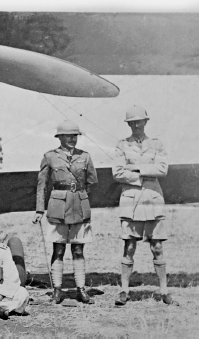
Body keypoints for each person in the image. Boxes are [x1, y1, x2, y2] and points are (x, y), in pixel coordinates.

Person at [112, 105, 178, 306]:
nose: (136, 125)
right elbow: (117, 173)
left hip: (152, 199)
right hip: (131, 202)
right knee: (129, 246)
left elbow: (162, 169)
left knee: (157, 247)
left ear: (146, 122)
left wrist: (135, 168)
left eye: (139, 122)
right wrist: (145, 174)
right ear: (129, 124)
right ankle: (124, 291)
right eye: (132, 122)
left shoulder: (157, 144)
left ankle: (164, 291)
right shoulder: (121, 145)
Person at [34, 120, 97, 304]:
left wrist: (81, 197)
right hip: (58, 206)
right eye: (68, 136)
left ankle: (81, 289)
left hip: (79, 206)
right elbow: (42, 185)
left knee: (78, 249)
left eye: (75, 136)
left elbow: (92, 182)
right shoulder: (50, 157)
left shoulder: (85, 157)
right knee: (58, 249)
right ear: (59, 137)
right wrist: (40, 209)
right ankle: (57, 290)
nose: (72, 139)